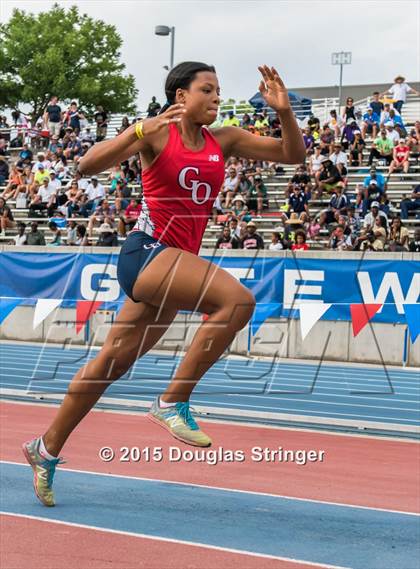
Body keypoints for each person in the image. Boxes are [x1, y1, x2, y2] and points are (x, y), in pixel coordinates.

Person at [22, 61, 305, 507]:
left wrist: (284, 112)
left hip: (175, 264)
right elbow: (85, 166)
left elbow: (293, 156)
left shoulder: (224, 139)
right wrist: (137, 131)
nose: (216, 98)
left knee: (107, 366)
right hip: (147, 253)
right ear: (181, 97)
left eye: (218, 90)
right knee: (237, 302)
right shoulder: (156, 134)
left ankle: (45, 448)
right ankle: (173, 401)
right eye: (207, 90)